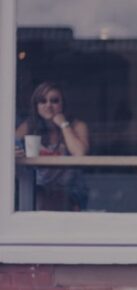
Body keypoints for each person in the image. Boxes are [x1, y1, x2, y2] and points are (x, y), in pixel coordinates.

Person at [15, 81, 90, 211]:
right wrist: (13, 151)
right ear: (36, 106)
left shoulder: (77, 125)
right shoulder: (29, 125)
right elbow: (9, 142)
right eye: (42, 101)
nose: (48, 105)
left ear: (63, 104)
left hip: (70, 192)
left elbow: (80, 153)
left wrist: (64, 125)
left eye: (54, 101)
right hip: (38, 191)